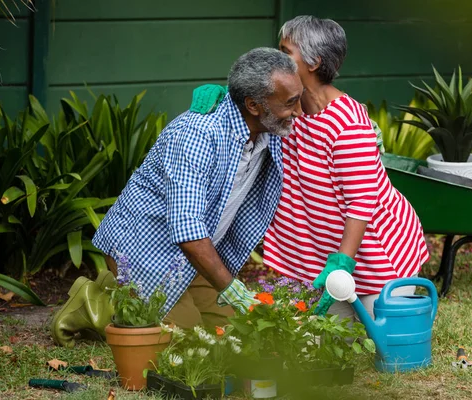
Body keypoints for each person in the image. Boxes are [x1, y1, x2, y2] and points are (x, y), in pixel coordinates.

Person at [51, 47, 303, 347]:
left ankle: (135, 303)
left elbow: (314, 103)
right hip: (144, 252)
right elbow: (187, 229)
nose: (299, 111)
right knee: (183, 339)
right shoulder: (198, 135)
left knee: (234, 333)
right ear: (253, 104)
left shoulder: (268, 128)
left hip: (190, 260)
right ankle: (97, 301)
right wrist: (233, 291)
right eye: (291, 103)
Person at [191, 16, 429, 322]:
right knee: (308, 339)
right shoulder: (283, 108)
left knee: (379, 333)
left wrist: (342, 262)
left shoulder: (348, 126)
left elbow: (362, 202)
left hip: (375, 258)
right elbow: (255, 104)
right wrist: (230, 96)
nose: (276, 57)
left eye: (285, 51)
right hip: (317, 253)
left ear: (313, 62)